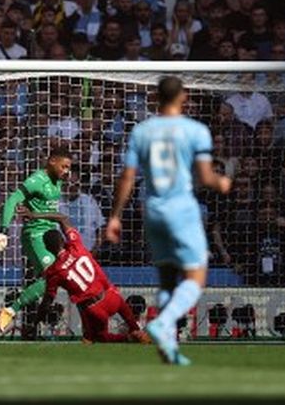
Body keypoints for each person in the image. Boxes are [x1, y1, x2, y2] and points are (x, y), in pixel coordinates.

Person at [105, 76, 232, 365]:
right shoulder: (196, 130)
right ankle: (165, 322)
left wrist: (114, 216)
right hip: (182, 209)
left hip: (152, 210)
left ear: (155, 98)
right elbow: (205, 176)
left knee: (166, 281)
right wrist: (222, 182)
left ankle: (169, 350)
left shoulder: (142, 131)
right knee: (196, 278)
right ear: (183, 97)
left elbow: (127, 176)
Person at [26, 211, 148, 344]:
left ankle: (128, 338)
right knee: (133, 326)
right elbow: (62, 218)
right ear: (62, 240)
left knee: (101, 337)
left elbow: (47, 302)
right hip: (111, 296)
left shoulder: (54, 272)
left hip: (94, 308)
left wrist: (35, 323)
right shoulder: (76, 245)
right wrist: (35, 215)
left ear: (47, 248)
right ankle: (140, 334)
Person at [0, 146, 73, 334]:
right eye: (64, 167)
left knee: (57, 278)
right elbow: (12, 200)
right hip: (35, 236)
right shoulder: (36, 180)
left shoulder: (58, 181)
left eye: (69, 168)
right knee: (53, 276)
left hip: (51, 235)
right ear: (52, 161)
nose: (66, 172)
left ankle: (33, 326)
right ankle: (9, 311)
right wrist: (3, 232)